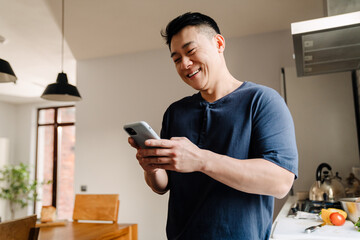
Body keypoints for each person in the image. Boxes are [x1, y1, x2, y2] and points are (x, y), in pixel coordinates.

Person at [128, 12, 298, 240]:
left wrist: (201, 160)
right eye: (177, 59)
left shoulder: (262, 101)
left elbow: (280, 182)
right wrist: (152, 168)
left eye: (190, 51)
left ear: (218, 43)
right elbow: (162, 186)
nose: (185, 64)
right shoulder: (175, 112)